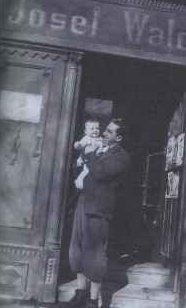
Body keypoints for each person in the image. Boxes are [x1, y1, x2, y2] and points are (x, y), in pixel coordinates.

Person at [63, 119, 130, 308]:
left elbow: (100, 173)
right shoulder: (98, 148)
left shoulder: (121, 157)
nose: (104, 134)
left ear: (119, 137)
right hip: (83, 204)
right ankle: (80, 294)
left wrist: (90, 153)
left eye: (109, 131)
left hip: (98, 209)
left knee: (95, 255)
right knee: (77, 251)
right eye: (105, 130)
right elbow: (82, 168)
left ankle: (93, 300)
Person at [74, 119, 108, 190]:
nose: (95, 130)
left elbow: (104, 145)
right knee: (86, 170)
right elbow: (81, 145)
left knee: (91, 172)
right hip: (87, 159)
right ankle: (79, 180)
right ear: (86, 131)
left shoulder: (100, 139)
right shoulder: (87, 138)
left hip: (96, 159)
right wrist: (78, 144)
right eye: (92, 129)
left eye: (97, 128)